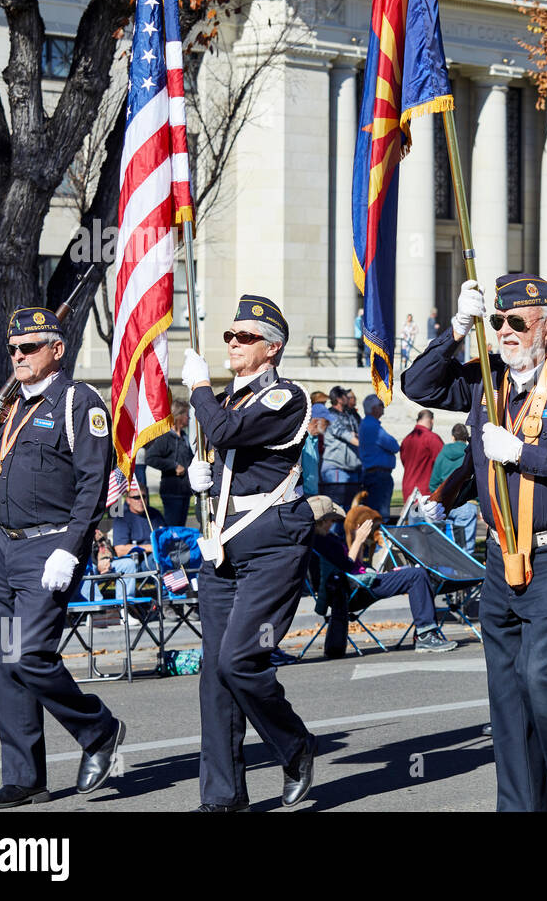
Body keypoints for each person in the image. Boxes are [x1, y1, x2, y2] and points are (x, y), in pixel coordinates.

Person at [402, 273, 547, 811]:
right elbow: (419, 387)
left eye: (518, 322)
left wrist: (522, 452)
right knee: (508, 697)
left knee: (542, 677)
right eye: (498, 321)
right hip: (501, 555)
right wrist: (456, 328)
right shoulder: (486, 378)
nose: (505, 331)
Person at [0, 306, 125, 808]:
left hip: (49, 547)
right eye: (13, 349)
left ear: (57, 350)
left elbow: (93, 485)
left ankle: (97, 728)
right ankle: (24, 776)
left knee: (30, 654)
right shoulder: (8, 408)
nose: (18, 355)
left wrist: (71, 548)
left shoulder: (80, 402)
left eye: (29, 347)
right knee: (2, 661)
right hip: (5, 548)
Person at [180, 294, 318, 812]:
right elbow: (231, 450)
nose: (233, 344)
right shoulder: (231, 399)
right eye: (230, 336)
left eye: (246, 338)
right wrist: (206, 477)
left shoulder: (286, 395)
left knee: (241, 659)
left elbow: (226, 432)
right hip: (222, 545)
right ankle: (222, 796)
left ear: (273, 348)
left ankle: (295, 745)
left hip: (272, 542)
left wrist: (197, 388)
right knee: (214, 673)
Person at [309, 495, 456, 652]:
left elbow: (353, 565)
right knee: (417, 575)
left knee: (416, 573)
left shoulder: (320, 540)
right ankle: (425, 635)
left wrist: (362, 543)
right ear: (323, 521)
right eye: (331, 520)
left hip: (358, 582)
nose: (333, 523)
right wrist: (358, 540)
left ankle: (425, 631)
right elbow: (345, 569)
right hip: (356, 588)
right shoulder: (323, 543)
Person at [108, 482, 166, 601]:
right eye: (136, 497)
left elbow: (165, 538)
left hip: (160, 557)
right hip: (138, 563)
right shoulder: (122, 518)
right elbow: (120, 550)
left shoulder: (155, 515)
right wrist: (151, 547)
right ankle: (166, 602)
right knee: (159, 560)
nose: (140, 500)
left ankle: (190, 599)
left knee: (183, 558)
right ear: (128, 500)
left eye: (143, 496)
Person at [145, 398, 195, 527]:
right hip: (172, 492)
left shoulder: (183, 436)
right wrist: (173, 466)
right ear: (178, 416)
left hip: (184, 491)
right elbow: (150, 458)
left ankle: (178, 548)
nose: (189, 418)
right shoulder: (165, 437)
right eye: (186, 415)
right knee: (173, 529)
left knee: (181, 529)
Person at [430, 424, 478, 554]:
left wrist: (439, 497)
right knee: (466, 550)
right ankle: (466, 573)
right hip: (468, 504)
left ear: (452, 437)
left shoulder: (443, 454)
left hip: (444, 502)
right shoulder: (472, 452)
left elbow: (433, 481)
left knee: (444, 548)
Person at [320, 386, 362, 512]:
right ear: (339, 399)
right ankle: (333, 533)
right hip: (336, 468)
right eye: (345, 396)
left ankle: (346, 533)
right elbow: (346, 435)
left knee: (351, 508)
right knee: (336, 509)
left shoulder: (349, 415)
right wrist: (362, 443)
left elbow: (356, 432)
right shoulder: (330, 415)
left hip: (352, 468)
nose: (348, 399)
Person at [358, 394, 400, 519]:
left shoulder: (367, 424)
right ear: (373, 408)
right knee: (380, 515)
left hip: (374, 474)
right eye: (381, 405)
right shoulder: (372, 426)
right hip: (379, 476)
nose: (383, 408)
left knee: (374, 512)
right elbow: (394, 446)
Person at [400, 409, 444, 502]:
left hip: (408, 488)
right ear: (431, 421)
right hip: (424, 490)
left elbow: (404, 462)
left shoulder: (406, 439)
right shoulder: (431, 438)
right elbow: (442, 463)